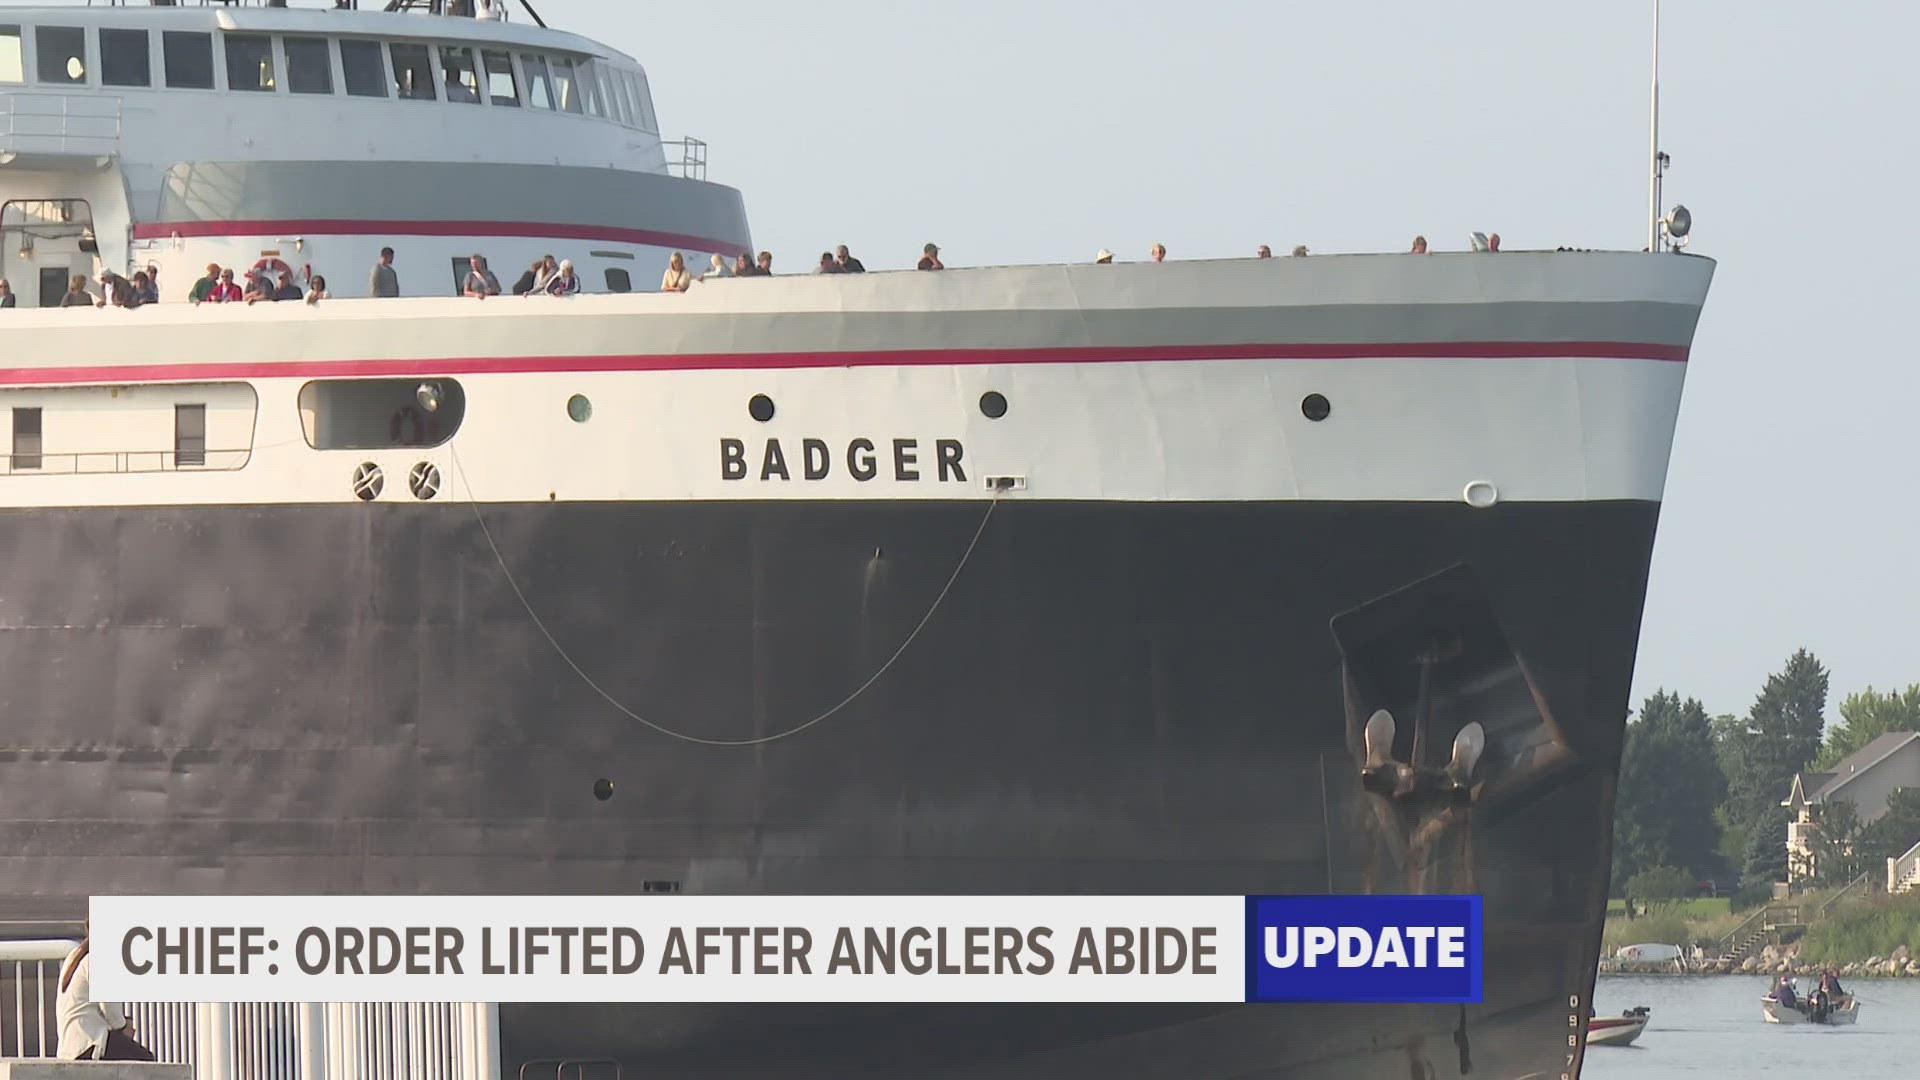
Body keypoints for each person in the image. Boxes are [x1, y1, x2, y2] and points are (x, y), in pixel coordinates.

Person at [57, 937, 154, 1061]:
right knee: (146, 1060)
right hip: (91, 1043)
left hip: (69, 1048)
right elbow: (112, 1015)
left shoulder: (75, 955)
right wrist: (124, 1026)